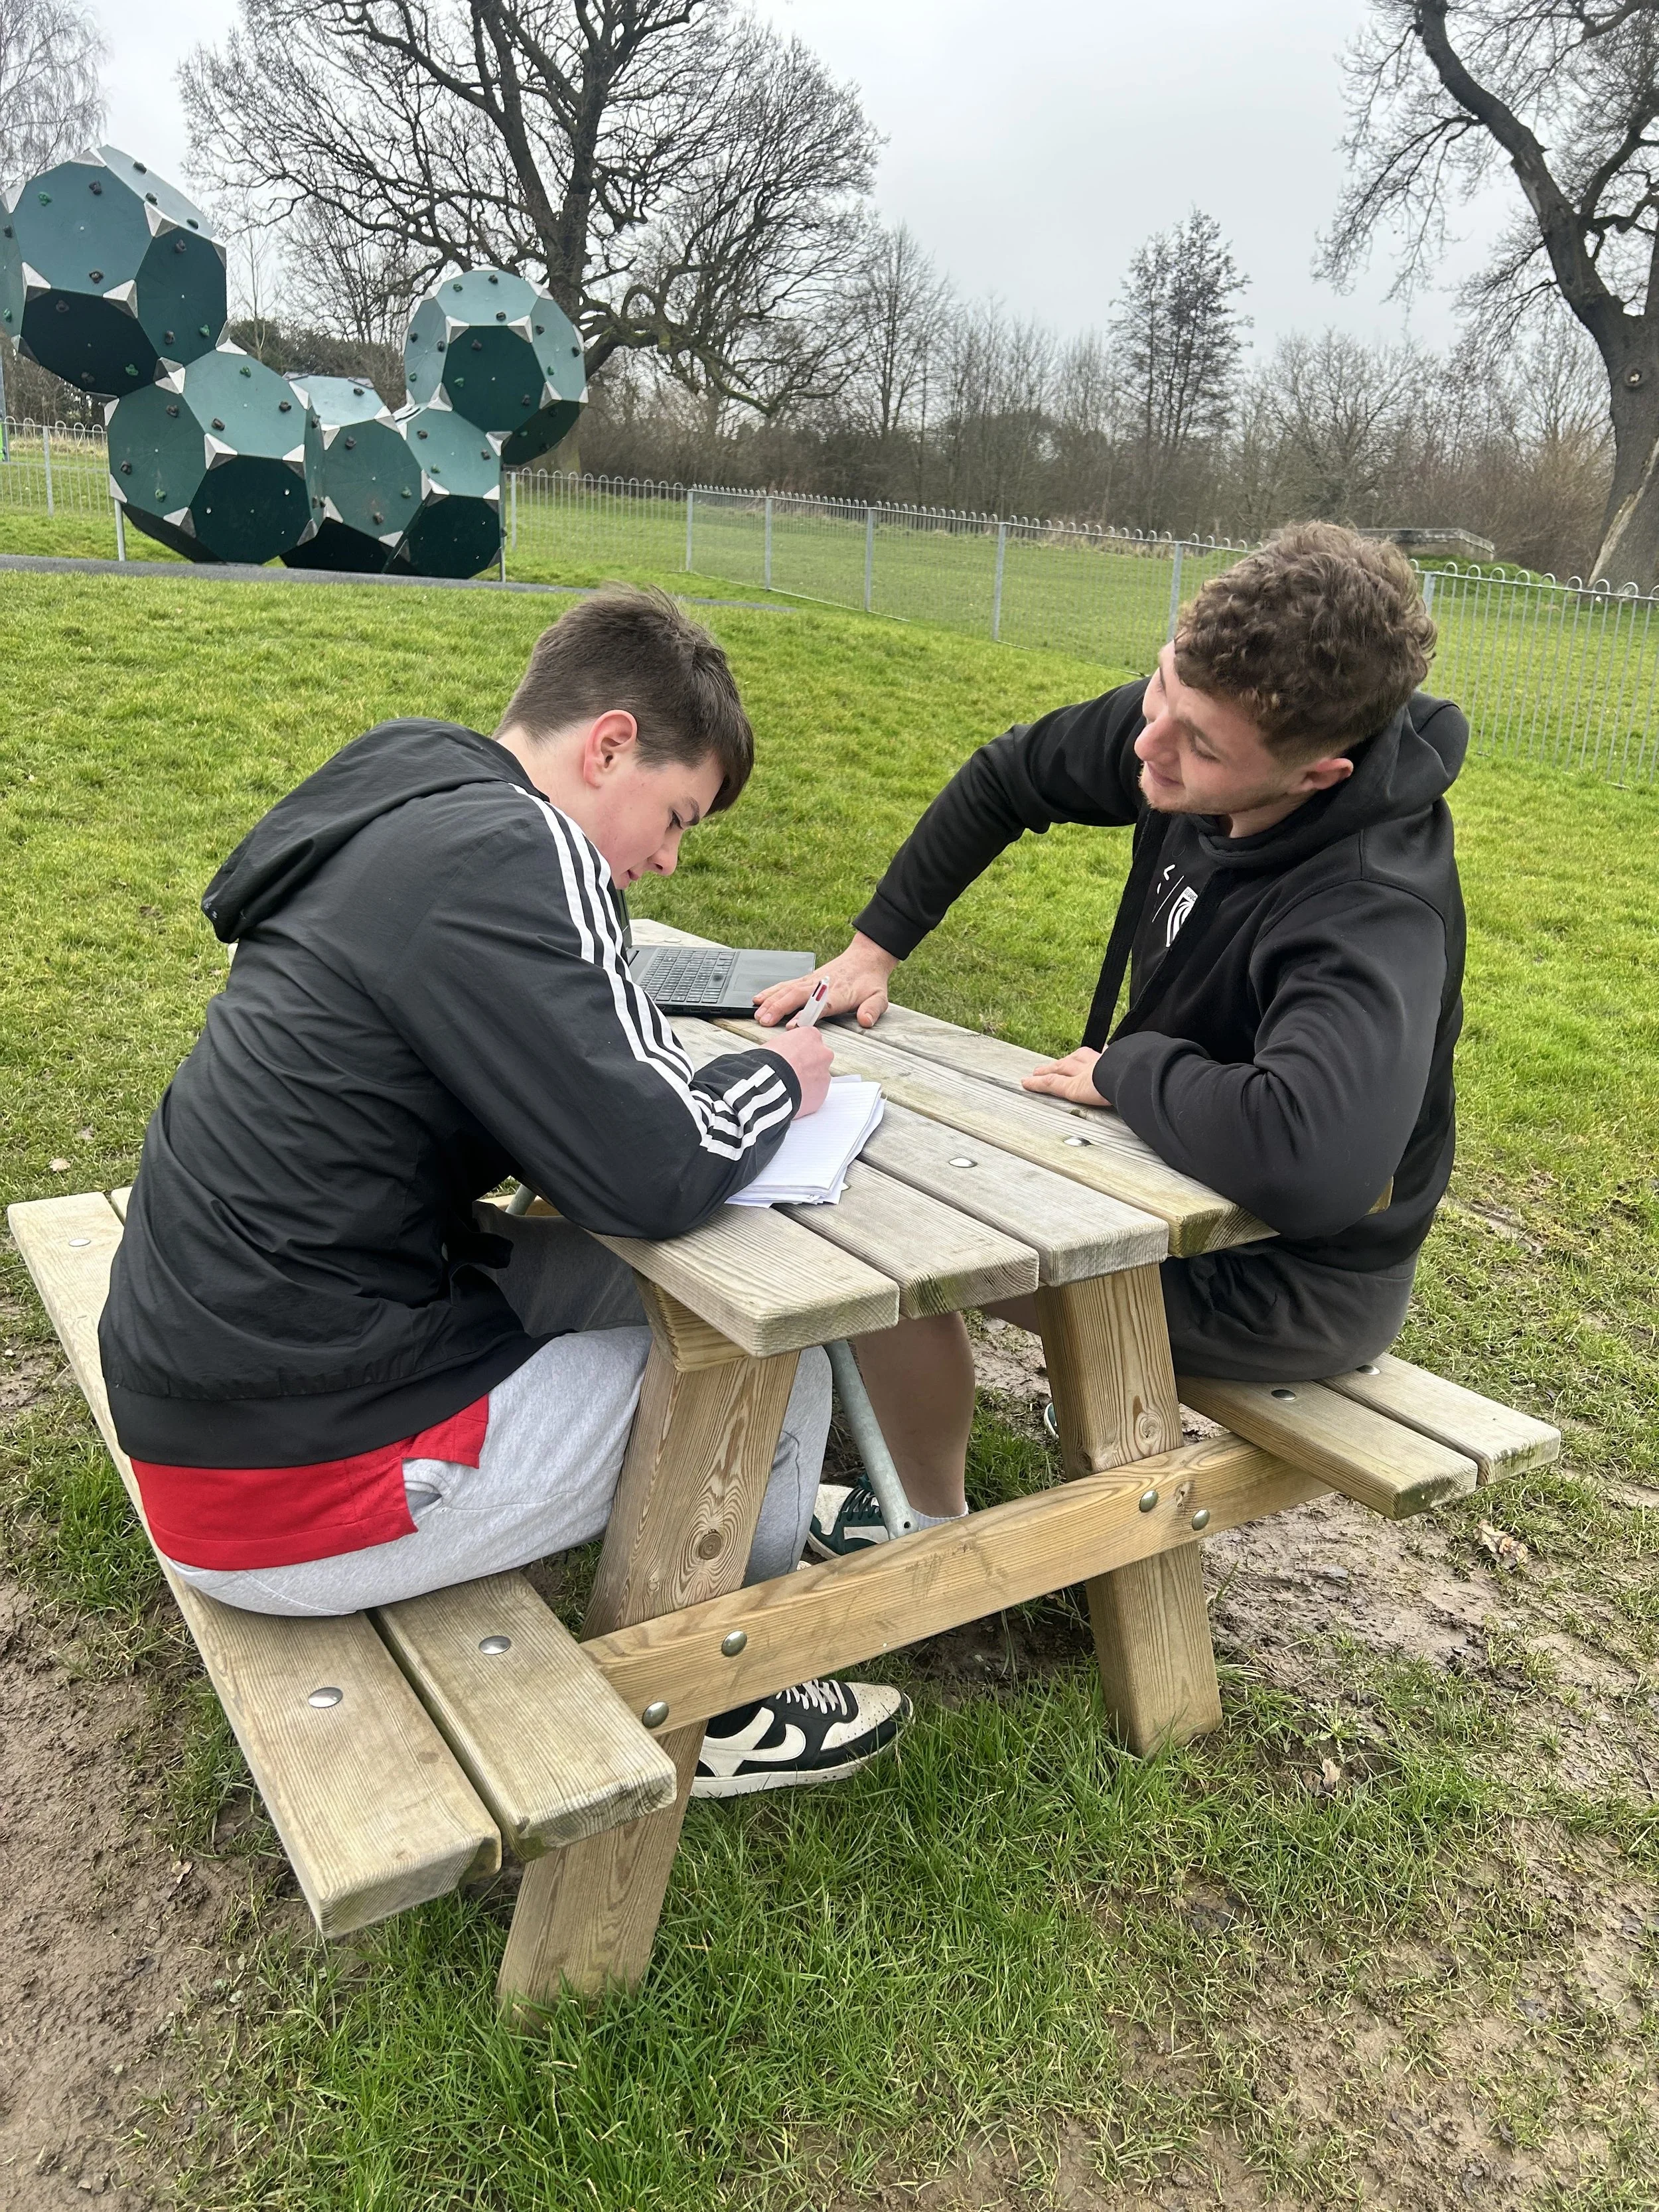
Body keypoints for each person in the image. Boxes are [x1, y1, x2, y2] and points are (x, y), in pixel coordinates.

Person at [100, 585, 908, 1796]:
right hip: (284, 1484)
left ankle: (772, 1509)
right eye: (678, 817)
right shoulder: (526, 849)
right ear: (611, 744)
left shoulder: (409, 793)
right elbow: (653, 1169)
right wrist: (775, 1078)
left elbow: (576, 1096)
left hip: (214, 1387)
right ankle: (734, 1695)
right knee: (759, 1347)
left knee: (626, 1286)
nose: (668, 858)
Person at [754, 523, 1467, 1557]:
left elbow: (1314, 1164)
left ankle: (923, 1529)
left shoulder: (1371, 908)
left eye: (1200, 746)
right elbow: (1008, 775)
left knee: (880, 1219)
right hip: (1153, 1174)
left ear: (1319, 775)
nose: (1149, 748)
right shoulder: (1185, 723)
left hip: (1290, 1281)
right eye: (1159, 692)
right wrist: (872, 952)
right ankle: (920, 1494)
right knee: (858, 1157)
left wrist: (1133, 1067)